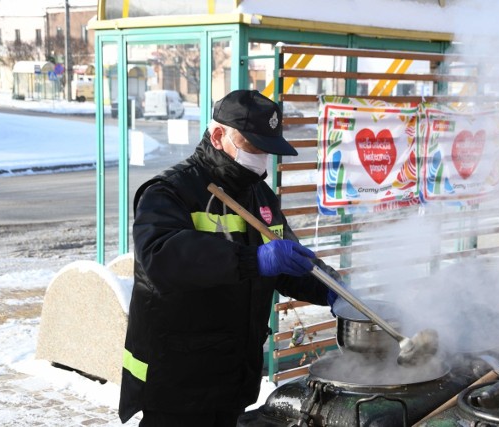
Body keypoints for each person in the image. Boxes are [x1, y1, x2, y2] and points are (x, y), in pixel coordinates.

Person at [119, 89, 339, 426]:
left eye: (267, 150)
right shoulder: (170, 191)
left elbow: (286, 263)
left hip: (232, 379)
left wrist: (329, 287)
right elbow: (160, 257)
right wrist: (254, 260)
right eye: (253, 147)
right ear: (219, 135)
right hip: (179, 383)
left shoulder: (259, 195)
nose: (261, 158)